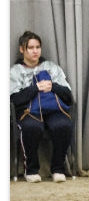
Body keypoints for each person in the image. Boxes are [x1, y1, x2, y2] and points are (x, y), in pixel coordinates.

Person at [9, 31, 74, 183]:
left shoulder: (52, 67)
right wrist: (35, 88)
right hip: (28, 111)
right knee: (32, 127)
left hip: (53, 109)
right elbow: (14, 99)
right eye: (30, 47)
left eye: (38, 47)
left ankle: (58, 169)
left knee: (63, 125)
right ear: (22, 49)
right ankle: (31, 170)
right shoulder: (15, 71)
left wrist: (53, 86)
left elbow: (68, 96)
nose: (35, 51)